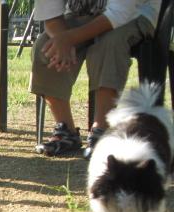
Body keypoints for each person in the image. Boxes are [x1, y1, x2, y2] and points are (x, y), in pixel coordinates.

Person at [30, 0, 161, 158]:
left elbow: (119, 13)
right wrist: (62, 41)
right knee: (45, 47)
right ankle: (66, 130)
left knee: (108, 44)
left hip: (135, 13)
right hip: (81, 14)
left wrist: (69, 38)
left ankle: (102, 130)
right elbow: (51, 15)